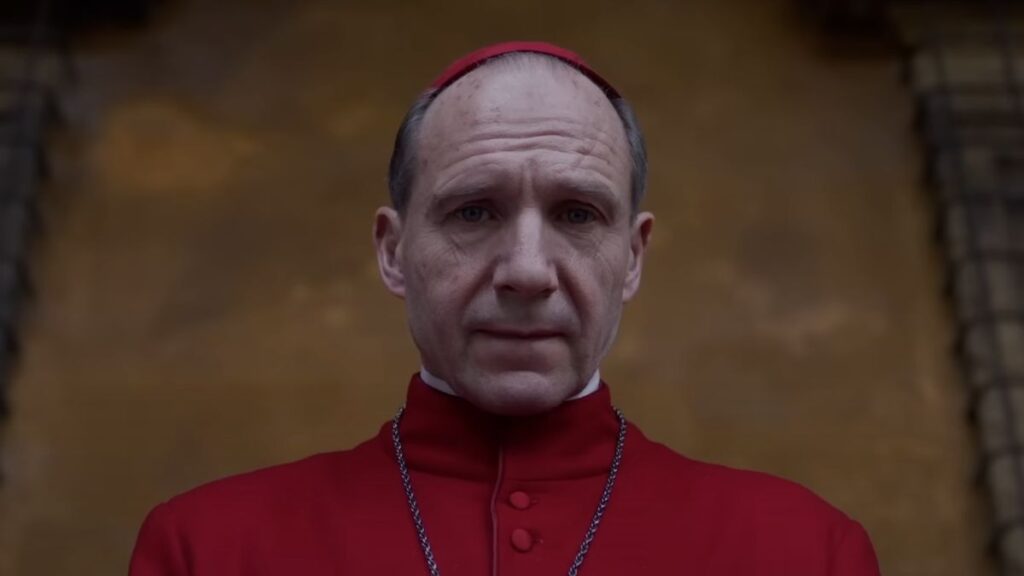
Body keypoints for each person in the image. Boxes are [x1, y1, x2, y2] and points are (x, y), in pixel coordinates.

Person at [128, 41, 881, 575]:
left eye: (578, 214)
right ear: (393, 251)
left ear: (634, 258)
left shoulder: (807, 552)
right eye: (475, 213)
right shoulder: (209, 550)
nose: (527, 271)